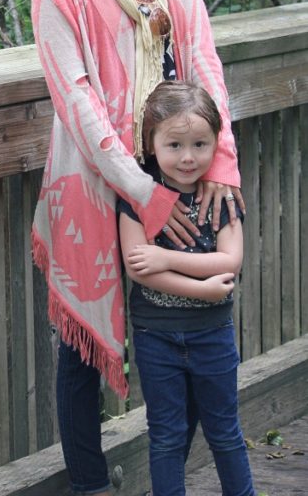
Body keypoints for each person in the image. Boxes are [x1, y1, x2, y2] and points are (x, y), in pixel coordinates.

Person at [30, 0, 243, 496]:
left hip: (179, 158)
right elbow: (76, 100)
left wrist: (220, 159)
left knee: (182, 319)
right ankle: (90, 485)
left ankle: (169, 471)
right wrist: (141, 191)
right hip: (97, 174)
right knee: (82, 344)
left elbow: (201, 55)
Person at [118, 79, 254, 496]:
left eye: (200, 144)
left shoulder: (221, 197)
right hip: (156, 336)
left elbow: (229, 261)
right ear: (151, 143)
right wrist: (203, 288)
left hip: (212, 336)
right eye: (174, 145)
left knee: (224, 432)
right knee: (166, 436)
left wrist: (167, 258)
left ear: (216, 143)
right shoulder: (138, 198)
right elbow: (139, 269)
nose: (188, 157)